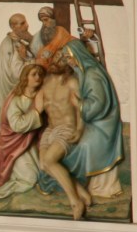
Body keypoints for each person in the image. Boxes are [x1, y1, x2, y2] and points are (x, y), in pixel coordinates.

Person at [38, 40, 124, 200]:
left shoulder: (92, 74)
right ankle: (81, 192)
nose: (67, 61)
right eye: (63, 57)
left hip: (102, 124)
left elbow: (98, 105)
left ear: (78, 55)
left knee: (82, 146)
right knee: (44, 163)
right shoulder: (81, 71)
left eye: (68, 57)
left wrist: (78, 105)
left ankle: (86, 193)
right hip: (90, 119)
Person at [34, 63, 93, 219]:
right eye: (54, 58)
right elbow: (37, 108)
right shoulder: (45, 82)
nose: (55, 62)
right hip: (50, 129)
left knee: (49, 160)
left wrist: (79, 129)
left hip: (66, 128)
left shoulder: (72, 82)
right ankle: (80, 191)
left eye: (60, 58)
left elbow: (81, 108)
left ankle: (75, 201)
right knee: (43, 164)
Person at [0, 63, 45, 199]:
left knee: (42, 173)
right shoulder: (16, 99)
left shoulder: (40, 95)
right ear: (26, 77)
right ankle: (3, 192)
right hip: (14, 146)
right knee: (30, 178)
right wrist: (37, 112)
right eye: (34, 74)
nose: (38, 77)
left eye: (40, 74)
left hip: (30, 143)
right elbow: (17, 126)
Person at [0, 13, 34, 116]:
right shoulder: (12, 44)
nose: (27, 26)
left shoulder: (17, 41)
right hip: (12, 93)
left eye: (25, 22)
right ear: (13, 27)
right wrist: (27, 59)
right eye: (22, 23)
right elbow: (18, 73)